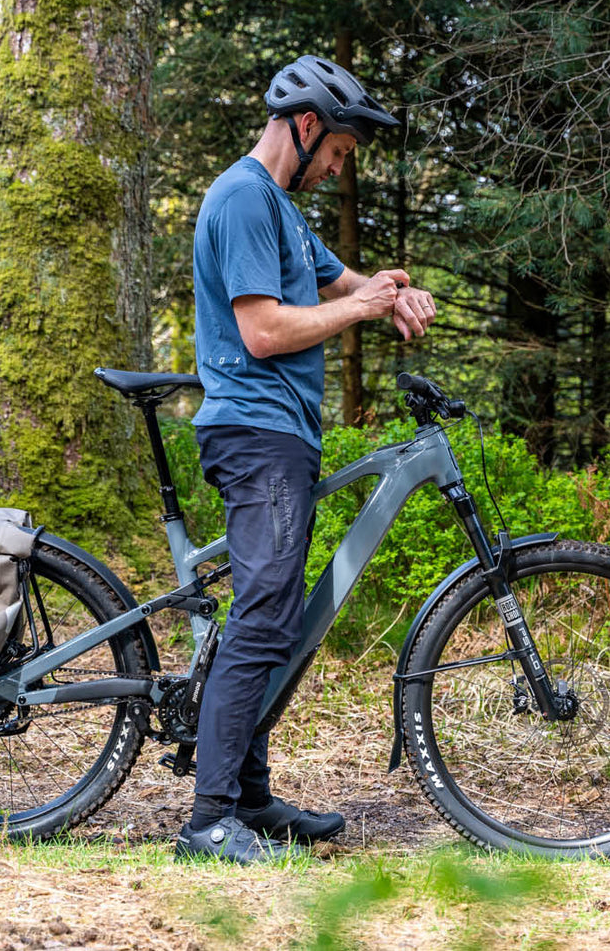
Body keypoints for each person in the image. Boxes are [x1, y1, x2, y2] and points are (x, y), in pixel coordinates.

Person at [175, 56, 437, 863]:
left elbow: (337, 281)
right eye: (340, 151)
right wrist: (359, 307)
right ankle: (209, 818)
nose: (337, 166)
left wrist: (389, 292)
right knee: (263, 620)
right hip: (255, 433)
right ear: (305, 123)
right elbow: (261, 330)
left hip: (280, 433)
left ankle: (248, 802)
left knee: (270, 613)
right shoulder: (243, 198)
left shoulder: (281, 211)